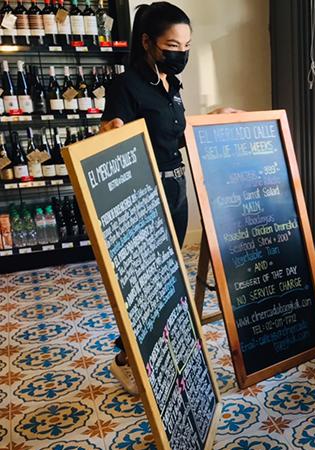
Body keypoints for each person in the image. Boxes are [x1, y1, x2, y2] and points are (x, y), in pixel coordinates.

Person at [100, 2, 239, 394]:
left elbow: (172, 136)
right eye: (172, 44)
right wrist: (110, 132)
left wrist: (210, 117)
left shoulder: (170, 83)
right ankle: (127, 357)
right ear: (147, 42)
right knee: (148, 281)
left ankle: (153, 350)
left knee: (168, 278)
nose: (181, 52)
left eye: (187, 45)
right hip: (146, 196)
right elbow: (114, 138)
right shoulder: (125, 87)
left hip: (176, 192)